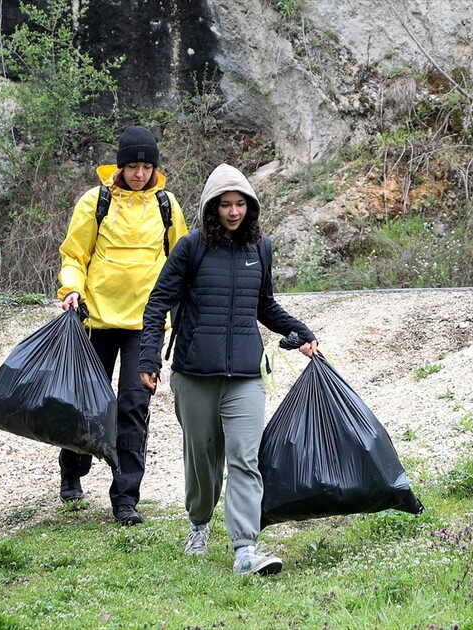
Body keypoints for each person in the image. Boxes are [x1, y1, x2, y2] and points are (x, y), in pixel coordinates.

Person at [138, 163, 318, 574]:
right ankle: (199, 522)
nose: (234, 212)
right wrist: (148, 358)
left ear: (251, 207)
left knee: (244, 457)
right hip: (194, 373)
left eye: (241, 205)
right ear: (212, 207)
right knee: (202, 457)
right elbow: (157, 305)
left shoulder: (261, 248)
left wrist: (298, 329)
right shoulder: (191, 247)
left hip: (246, 376)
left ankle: (244, 548)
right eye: (226, 205)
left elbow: (264, 304)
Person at [57, 125, 189, 526]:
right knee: (86, 403)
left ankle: (125, 498)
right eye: (132, 165)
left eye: (146, 166)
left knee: (134, 407)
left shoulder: (167, 206)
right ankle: (73, 469)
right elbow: (74, 255)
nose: (139, 173)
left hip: (145, 326)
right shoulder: (95, 202)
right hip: (95, 319)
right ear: (120, 165)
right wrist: (71, 289)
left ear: (154, 167)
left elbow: (181, 263)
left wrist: (183, 311)